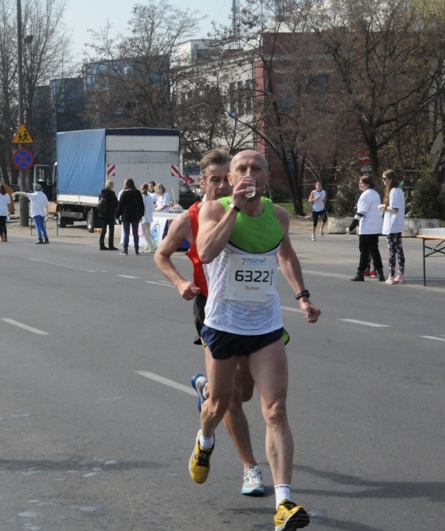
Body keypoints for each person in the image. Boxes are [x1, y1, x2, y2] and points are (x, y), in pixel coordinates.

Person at [192, 150, 320, 531]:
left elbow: (286, 255)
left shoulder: (278, 216)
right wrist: (234, 208)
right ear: (231, 178)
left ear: (267, 177)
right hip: (223, 325)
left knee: (275, 410)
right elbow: (205, 251)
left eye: (256, 169)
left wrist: (302, 296)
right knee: (220, 403)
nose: (249, 174)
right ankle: (205, 440)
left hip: (265, 326)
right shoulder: (214, 210)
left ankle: (283, 503)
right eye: (242, 169)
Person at [154, 149, 267, 497]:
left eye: (225, 179)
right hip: (211, 309)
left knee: (244, 391)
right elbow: (161, 254)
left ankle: (207, 390)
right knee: (231, 398)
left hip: (249, 310)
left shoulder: (249, 211)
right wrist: (179, 283)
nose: (221, 186)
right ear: (201, 183)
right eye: (213, 180)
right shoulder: (189, 218)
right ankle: (250, 468)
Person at [348, 175, 385, 282]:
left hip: (367, 227)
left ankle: (360, 273)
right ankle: (380, 272)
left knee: (364, 250)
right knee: (374, 249)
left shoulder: (365, 195)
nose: (359, 185)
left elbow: (361, 212)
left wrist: (352, 225)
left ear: (367, 184)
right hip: (376, 225)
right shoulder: (375, 194)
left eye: (361, 183)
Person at [379, 170, 405, 285]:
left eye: (385, 179)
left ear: (391, 179)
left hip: (392, 225)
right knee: (399, 250)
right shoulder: (399, 191)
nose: (383, 181)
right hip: (397, 224)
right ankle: (400, 274)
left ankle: (391, 275)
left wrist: (384, 206)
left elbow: (394, 209)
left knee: (391, 251)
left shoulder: (393, 191)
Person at [116, 179, 144, 255]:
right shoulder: (138, 193)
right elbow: (141, 204)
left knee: (126, 233)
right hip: (135, 215)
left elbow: (120, 206)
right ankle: (136, 250)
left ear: (126, 185)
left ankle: (125, 250)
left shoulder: (124, 193)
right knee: (135, 233)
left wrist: (117, 215)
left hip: (126, 215)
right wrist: (141, 214)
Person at [98, 181, 119, 251]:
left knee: (103, 229)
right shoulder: (111, 194)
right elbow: (115, 204)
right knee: (111, 230)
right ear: (111, 186)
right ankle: (111, 245)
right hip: (110, 214)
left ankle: (101, 244)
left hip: (102, 214)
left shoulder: (101, 193)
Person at [139, 183, 156, 253]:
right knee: (148, 232)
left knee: (144, 232)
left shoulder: (142, 196)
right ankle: (148, 246)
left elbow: (141, 206)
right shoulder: (149, 196)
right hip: (149, 216)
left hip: (144, 216)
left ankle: (151, 246)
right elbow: (153, 207)